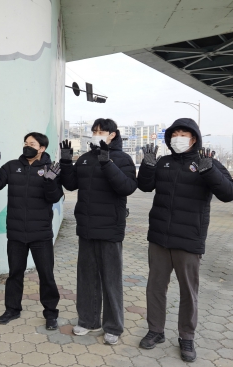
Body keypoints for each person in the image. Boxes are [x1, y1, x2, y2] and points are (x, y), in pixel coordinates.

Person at [137, 119, 233, 362]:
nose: (178, 137)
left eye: (184, 134)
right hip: (160, 237)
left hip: (189, 238)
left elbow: (230, 193)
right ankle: (156, 330)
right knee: (155, 287)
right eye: (175, 133)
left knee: (188, 291)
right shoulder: (164, 162)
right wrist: (147, 166)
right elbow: (144, 186)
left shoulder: (206, 163)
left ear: (194, 139)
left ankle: (187, 336)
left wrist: (209, 170)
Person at [59, 118, 137, 346]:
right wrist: (65, 162)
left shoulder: (122, 159)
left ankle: (113, 326)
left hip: (111, 229)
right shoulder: (84, 158)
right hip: (86, 227)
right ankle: (88, 320)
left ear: (113, 134)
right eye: (94, 131)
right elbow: (71, 184)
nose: (96, 134)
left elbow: (127, 187)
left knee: (111, 280)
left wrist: (107, 163)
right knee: (86, 278)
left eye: (101, 131)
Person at [0, 132, 64, 330]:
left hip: (41, 233)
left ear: (42, 148)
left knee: (46, 275)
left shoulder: (51, 168)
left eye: (32, 143)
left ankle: (50, 313)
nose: (27, 146)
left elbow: (55, 198)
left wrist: (50, 181)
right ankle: (12, 309)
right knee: (15, 273)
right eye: (25, 143)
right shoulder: (13, 166)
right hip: (16, 232)